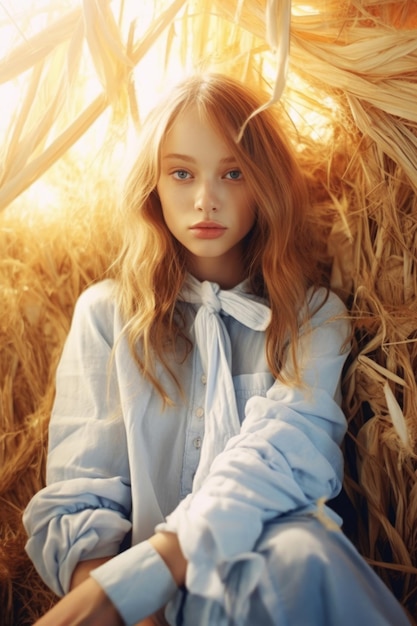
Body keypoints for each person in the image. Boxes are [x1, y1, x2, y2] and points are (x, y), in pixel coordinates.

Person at [23, 73, 410, 626]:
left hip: (268, 578)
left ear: (265, 183)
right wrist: (131, 606)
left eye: (233, 173)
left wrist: (136, 579)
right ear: (152, 185)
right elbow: (79, 499)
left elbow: (280, 459)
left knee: (302, 554)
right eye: (182, 173)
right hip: (145, 610)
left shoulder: (313, 315)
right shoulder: (107, 316)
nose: (206, 199)